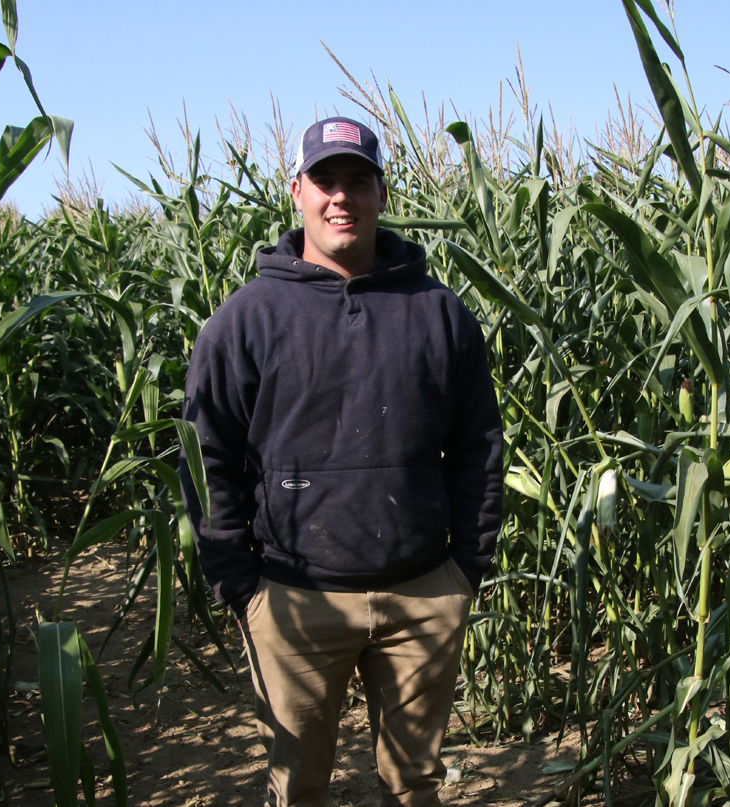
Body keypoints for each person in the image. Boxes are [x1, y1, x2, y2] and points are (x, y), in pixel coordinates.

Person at [179, 116, 503, 807]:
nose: (340, 197)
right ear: (296, 191)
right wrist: (243, 589)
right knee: (298, 787)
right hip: (294, 599)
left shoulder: (440, 314)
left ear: (381, 194)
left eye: (358, 181)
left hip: (422, 594)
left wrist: (466, 568)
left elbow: (479, 443)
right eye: (324, 180)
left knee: (415, 785)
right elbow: (207, 457)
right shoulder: (246, 320)